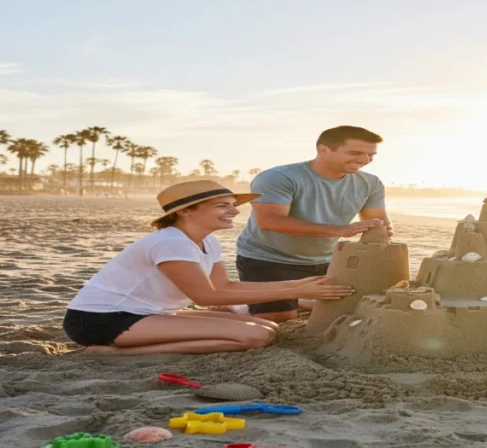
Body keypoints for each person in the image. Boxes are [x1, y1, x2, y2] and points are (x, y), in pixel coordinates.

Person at [62, 180, 353, 356]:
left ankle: (128, 345)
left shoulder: (207, 242)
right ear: (185, 211)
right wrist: (299, 289)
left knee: (269, 326)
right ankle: (112, 354)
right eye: (222, 205)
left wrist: (296, 286)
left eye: (233, 204)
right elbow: (206, 297)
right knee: (256, 336)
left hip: (149, 314)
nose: (234, 210)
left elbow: (226, 287)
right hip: (101, 320)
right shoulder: (171, 242)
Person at [235, 126, 391, 323]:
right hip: (271, 259)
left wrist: (381, 231)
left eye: (371, 155)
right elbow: (270, 221)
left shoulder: (371, 183)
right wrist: (341, 230)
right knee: (280, 319)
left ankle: (298, 299)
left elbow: (378, 221)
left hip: (329, 260)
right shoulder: (279, 177)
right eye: (355, 153)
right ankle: (243, 305)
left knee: (351, 309)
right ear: (323, 149)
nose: (364, 160)